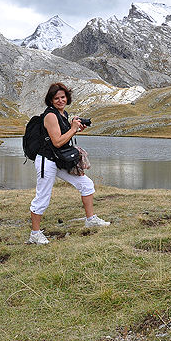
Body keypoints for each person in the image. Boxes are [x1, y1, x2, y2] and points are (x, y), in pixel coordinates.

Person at [28, 82, 110, 244]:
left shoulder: (63, 114)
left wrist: (76, 128)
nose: (60, 100)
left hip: (59, 160)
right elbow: (57, 142)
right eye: (56, 98)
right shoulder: (50, 116)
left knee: (86, 184)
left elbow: (62, 139)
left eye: (63, 97)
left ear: (67, 98)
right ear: (50, 100)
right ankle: (35, 234)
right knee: (43, 197)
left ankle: (90, 219)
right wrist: (73, 129)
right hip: (47, 161)